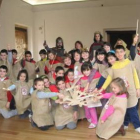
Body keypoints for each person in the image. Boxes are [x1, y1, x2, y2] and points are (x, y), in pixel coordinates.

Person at [100, 45, 140, 133]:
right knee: (124, 109)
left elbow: (135, 76)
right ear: (116, 54)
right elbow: (109, 78)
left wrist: (138, 88)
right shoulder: (114, 65)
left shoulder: (130, 63)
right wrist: (102, 88)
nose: (119, 54)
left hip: (131, 90)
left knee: (132, 108)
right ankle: (125, 123)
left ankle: (137, 125)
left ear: (124, 52)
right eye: (117, 52)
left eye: (121, 51)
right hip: (121, 93)